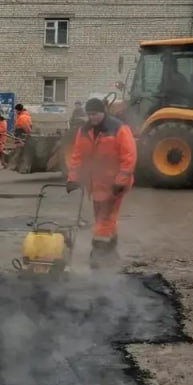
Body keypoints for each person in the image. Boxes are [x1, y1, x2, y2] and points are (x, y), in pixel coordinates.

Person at [66, 96, 137, 264]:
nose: (92, 118)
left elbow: (129, 156)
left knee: (105, 217)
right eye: (89, 114)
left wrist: (121, 181)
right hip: (96, 182)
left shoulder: (118, 128)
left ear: (102, 112)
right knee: (102, 216)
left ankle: (99, 252)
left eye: (95, 114)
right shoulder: (83, 131)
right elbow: (77, 156)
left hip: (115, 183)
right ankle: (110, 251)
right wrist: (73, 178)